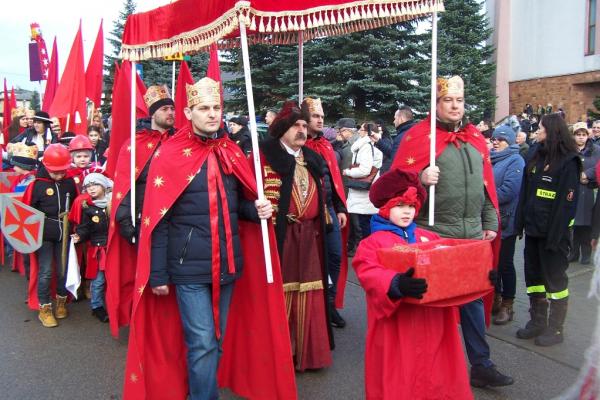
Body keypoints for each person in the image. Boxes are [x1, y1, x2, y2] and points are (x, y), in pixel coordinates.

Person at [122, 77, 296, 400]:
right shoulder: (170, 154)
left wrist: (255, 208)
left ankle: (200, 393)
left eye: (216, 107)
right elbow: (158, 219)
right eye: (204, 108)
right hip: (188, 268)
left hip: (228, 263)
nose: (212, 114)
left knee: (216, 339)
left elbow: (235, 205)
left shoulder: (230, 151)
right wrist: (157, 273)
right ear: (188, 111)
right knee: (202, 341)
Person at [391, 75, 514, 388]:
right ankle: (428, 368)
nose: (455, 105)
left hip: (471, 235)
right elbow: (393, 186)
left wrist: (489, 221)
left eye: (459, 100)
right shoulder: (419, 137)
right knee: (431, 307)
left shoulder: (475, 139)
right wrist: (420, 176)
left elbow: (485, 186)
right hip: (434, 233)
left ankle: (481, 364)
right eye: (448, 100)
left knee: (472, 301)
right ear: (436, 104)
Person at [353, 168, 473, 400]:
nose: (407, 212)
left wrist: (477, 276)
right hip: (398, 328)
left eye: (410, 206)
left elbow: (453, 266)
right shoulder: (372, 243)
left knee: (437, 377)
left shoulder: (430, 238)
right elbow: (367, 272)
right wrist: (395, 283)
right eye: (400, 206)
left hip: (435, 323)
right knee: (401, 381)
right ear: (386, 207)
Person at [260, 100, 334, 370]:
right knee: (283, 293)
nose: (302, 130)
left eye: (304, 125)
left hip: (310, 237)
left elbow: (324, 193)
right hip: (282, 236)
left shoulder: (313, 159)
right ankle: (284, 352)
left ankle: (309, 353)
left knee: (311, 293)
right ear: (282, 129)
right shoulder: (264, 157)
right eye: (296, 125)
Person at [106, 84, 176, 336]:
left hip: (176, 221)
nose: (170, 113)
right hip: (143, 221)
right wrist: (127, 225)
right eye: (165, 109)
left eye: (172, 108)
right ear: (153, 113)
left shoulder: (181, 142)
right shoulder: (135, 145)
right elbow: (123, 190)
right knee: (146, 276)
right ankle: (144, 326)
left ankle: (168, 327)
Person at [515, 113, 581, 347]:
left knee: (555, 282)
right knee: (534, 279)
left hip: (554, 235)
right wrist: (520, 223)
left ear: (551, 130)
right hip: (533, 231)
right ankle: (538, 322)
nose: (536, 131)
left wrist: (555, 236)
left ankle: (555, 329)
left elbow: (567, 204)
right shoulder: (536, 154)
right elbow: (526, 193)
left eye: (540, 128)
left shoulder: (569, 161)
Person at [301, 97, 349, 329]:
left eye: (322, 116)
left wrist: (340, 208)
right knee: (311, 261)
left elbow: (335, 179)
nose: (320, 120)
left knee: (335, 257)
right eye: (315, 116)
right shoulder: (299, 145)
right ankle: (314, 307)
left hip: (329, 209)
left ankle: (329, 304)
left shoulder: (327, 145)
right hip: (308, 211)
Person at [22, 144, 79, 327]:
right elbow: (27, 214)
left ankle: (61, 301)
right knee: (46, 271)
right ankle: (44, 308)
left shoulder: (70, 183)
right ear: (46, 167)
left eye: (63, 171)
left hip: (65, 235)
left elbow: (76, 208)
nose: (60, 175)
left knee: (63, 270)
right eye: (56, 172)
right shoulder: (37, 185)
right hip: (44, 236)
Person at [489, 126, 525, 325]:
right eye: (494, 138)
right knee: (491, 262)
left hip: (506, 220)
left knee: (504, 263)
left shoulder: (515, 160)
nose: (496, 142)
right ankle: (496, 296)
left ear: (510, 141)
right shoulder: (490, 158)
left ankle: (508, 304)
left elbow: (509, 191)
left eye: (501, 139)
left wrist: (485, 197)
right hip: (489, 219)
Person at [70, 173, 113, 322]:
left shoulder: (114, 204)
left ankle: (115, 306)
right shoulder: (88, 209)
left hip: (114, 248)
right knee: (99, 281)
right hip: (98, 249)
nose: (91, 188)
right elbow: (85, 228)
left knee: (114, 279)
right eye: (88, 186)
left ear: (103, 186)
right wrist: (79, 236)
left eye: (95, 185)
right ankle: (97, 307)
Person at [343, 122, 383, 239]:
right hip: (365, 193)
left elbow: (364, 170)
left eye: (361, 129)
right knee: (365, 225)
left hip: (363, 193)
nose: (359, 131)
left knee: (364, 227)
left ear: (366, 132)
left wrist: (348, 172)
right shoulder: (369, 147)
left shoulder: (365, 147)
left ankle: (366, 253)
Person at [568, 122, 600, 265]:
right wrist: (576, 175)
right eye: (578, 135)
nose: (581, 138)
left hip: (588, 191)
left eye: (583, 135)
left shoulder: (596, 150)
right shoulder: (569, 150)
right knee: (573, 224)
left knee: (586, 223)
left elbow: (597, 167)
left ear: (587, 136)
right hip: (572, 191)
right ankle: (573, 252)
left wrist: (587, 174)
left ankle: (586, 253)